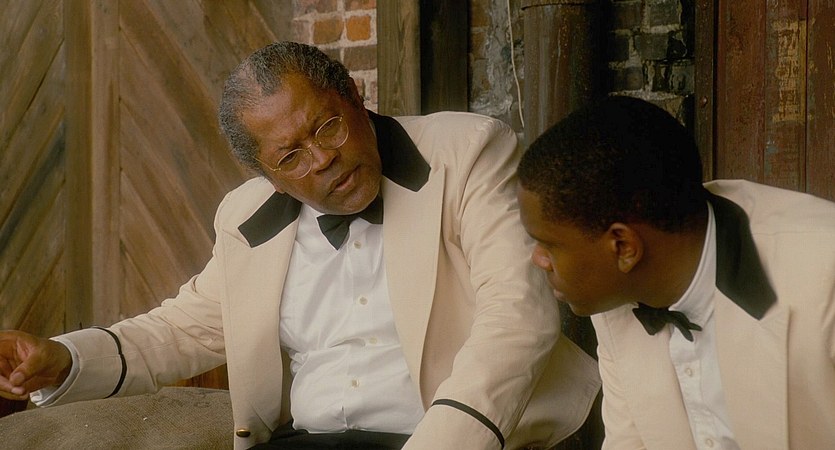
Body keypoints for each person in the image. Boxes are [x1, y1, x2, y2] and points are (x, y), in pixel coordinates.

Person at [0, 41, 600, 449]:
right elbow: (182, 329)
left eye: (327, 126)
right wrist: (64, 358)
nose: (321, 159)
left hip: (448, 436)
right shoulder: (246, 217)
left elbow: (516, 315)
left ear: (356, 97)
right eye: (290, 157)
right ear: (266, 174)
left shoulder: (467, 152)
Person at [516, 95, 835, 449]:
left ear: (623, 247)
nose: (537, 259)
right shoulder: (614, 304)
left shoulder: (824, 275)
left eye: (548, 244)